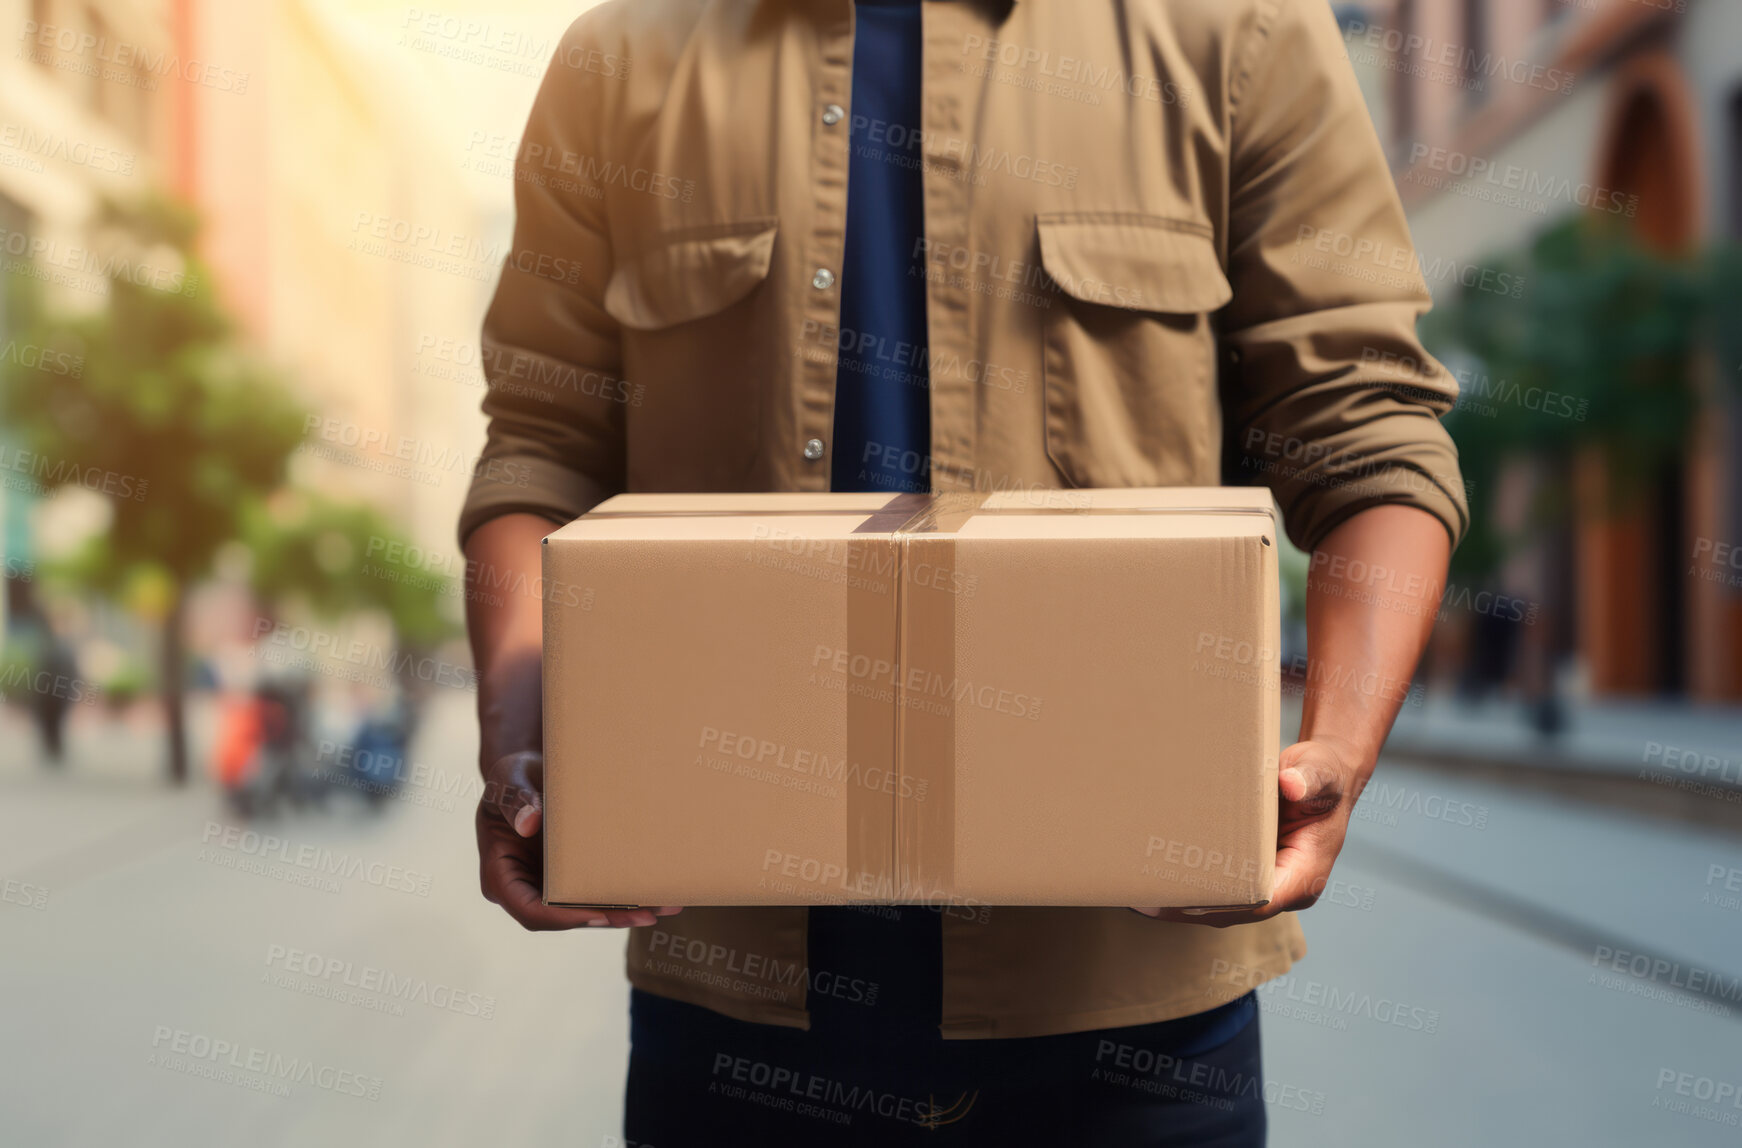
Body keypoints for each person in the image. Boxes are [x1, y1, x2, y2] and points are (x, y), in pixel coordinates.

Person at [460, 1, 1465, 1143]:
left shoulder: (1235, 34)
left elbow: (1368, 434)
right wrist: (520, 745)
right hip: (734, 1013)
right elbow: (541, 449)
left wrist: (1335, 748)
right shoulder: (620, 60)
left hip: (1130, 1024)